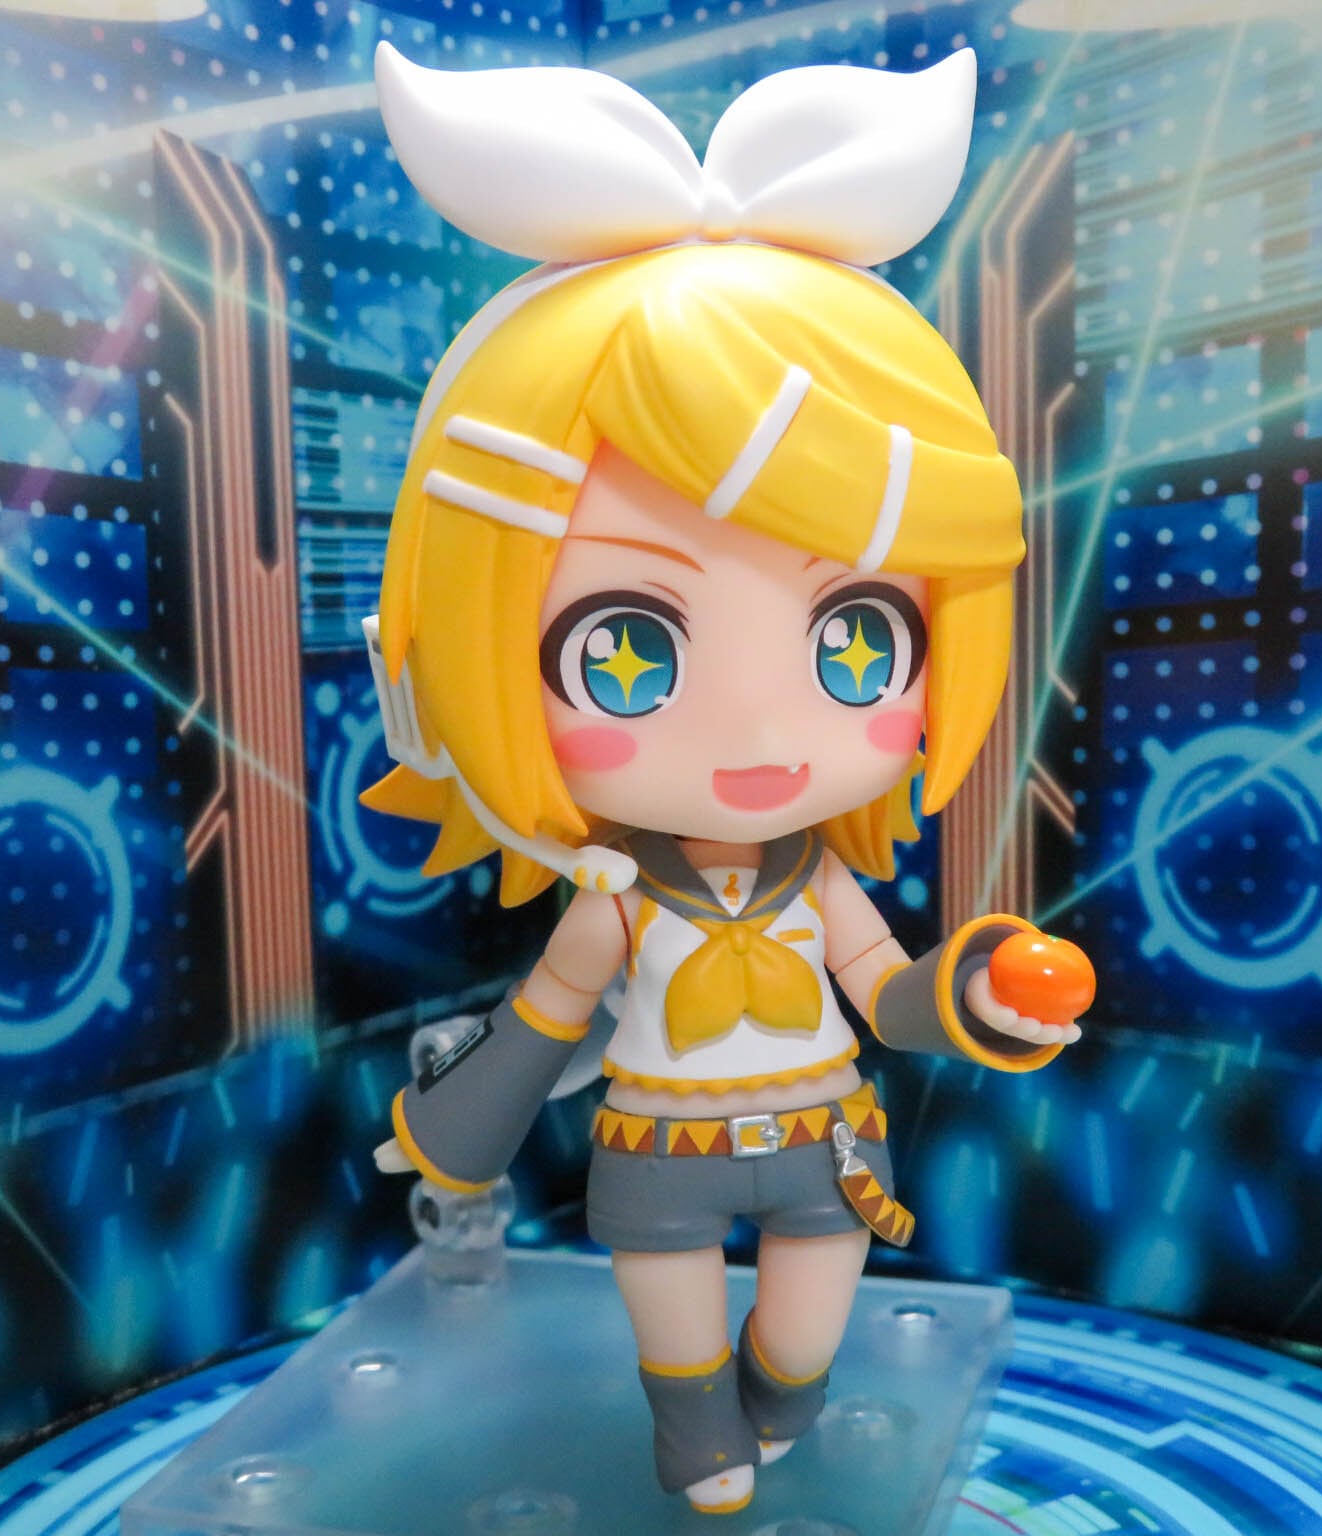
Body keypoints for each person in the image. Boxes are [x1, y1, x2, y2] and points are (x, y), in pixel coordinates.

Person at [362, 43, 1091, 1514]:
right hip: (658, 1148)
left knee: (808, 1333)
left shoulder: (822, 879)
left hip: (825, 1140)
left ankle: (776, 1402)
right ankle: (693, 1426)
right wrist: (462, 1120)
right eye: (627, 651)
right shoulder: (614, 896)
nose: (761, 724)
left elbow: (886, 993)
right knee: (675, 1323)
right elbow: (544, 1024)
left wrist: (974, 995)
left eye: (857, 643)